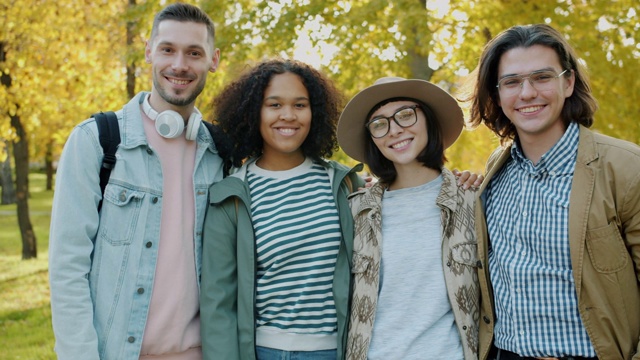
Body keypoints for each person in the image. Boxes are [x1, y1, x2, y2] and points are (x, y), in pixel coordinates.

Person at [48, 3, 222, 359]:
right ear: (148, 51)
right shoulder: (97, 141)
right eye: (167, 50)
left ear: (213, 60)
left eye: (194, 53)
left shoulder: (222, 154)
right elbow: (68, 269)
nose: (179, 65)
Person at [466, 24, 640, 360]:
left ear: (569, 82)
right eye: (512, 82)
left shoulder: (625, 167)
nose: (527, 93)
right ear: (497, 93)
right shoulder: (494, 174)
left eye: (542, 77)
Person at [199, 59, 364, 360]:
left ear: (315, 112)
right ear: (253, 113)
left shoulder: (344, 183)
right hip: (268, 352)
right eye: (274, 105)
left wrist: (458, 182)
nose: (288, 116)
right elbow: (218, 304)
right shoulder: (231, 196)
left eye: (300, 105)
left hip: (340, 350)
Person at [336, 77, 480, 360]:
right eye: (379, 124)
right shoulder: (355, 210)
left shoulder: (472, 200)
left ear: (428, 119)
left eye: (405, 115)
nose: (394, 130)